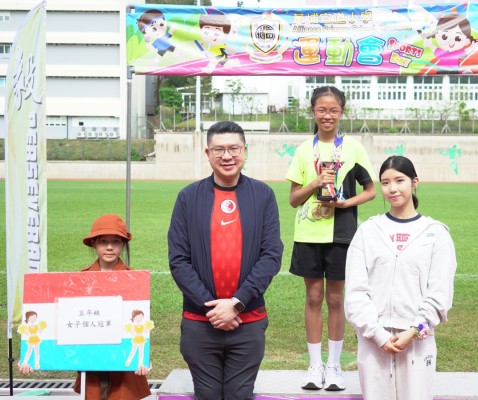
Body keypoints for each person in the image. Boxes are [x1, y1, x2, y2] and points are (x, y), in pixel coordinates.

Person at [168, 121, 283, 400]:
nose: (227, 156)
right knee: (206, 395)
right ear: (208, 153)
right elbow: (178, 260)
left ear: (245, 151)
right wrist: (213, 308)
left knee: (239, 395)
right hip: (199, 321)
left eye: (234, 148)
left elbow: (271, 255)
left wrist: (236, 303)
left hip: (248, 320)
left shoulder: (263, 195)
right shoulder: (188, 197)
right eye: (219, 149)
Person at [285, 86, 376, 391]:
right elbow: (293, 199)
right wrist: (315, 183)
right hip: (308, 233)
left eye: (333, 110)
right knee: (313, 297)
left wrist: (346, 204)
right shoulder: (303, 150)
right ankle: (315, 366)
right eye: (322, 110)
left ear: (341, 112)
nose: (327, 115)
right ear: (313, 111)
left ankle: (334, 366)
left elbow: (370, 190)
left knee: (336, 299)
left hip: (342, 234)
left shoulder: (353, 148)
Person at [344, 156, 457, 400]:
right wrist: (378, 334)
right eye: (385, 183)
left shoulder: (435, 233)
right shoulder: (368, 231)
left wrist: (414, 330)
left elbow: (440, 294)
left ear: (414, 182)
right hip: (373, 340)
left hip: (417, 340)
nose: (392, 188)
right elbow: (355, 292)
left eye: (399, 180)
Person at [19, 213, 152, 400]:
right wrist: (30, 359)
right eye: (103, 241)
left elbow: (142, 323)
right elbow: (58, 321)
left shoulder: (134, 281)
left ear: (123, 244)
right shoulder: (79, 280)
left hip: (124, 370)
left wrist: (144, 358)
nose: (109, 247)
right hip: (91, 364)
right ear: (94, 244)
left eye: (115, 241)